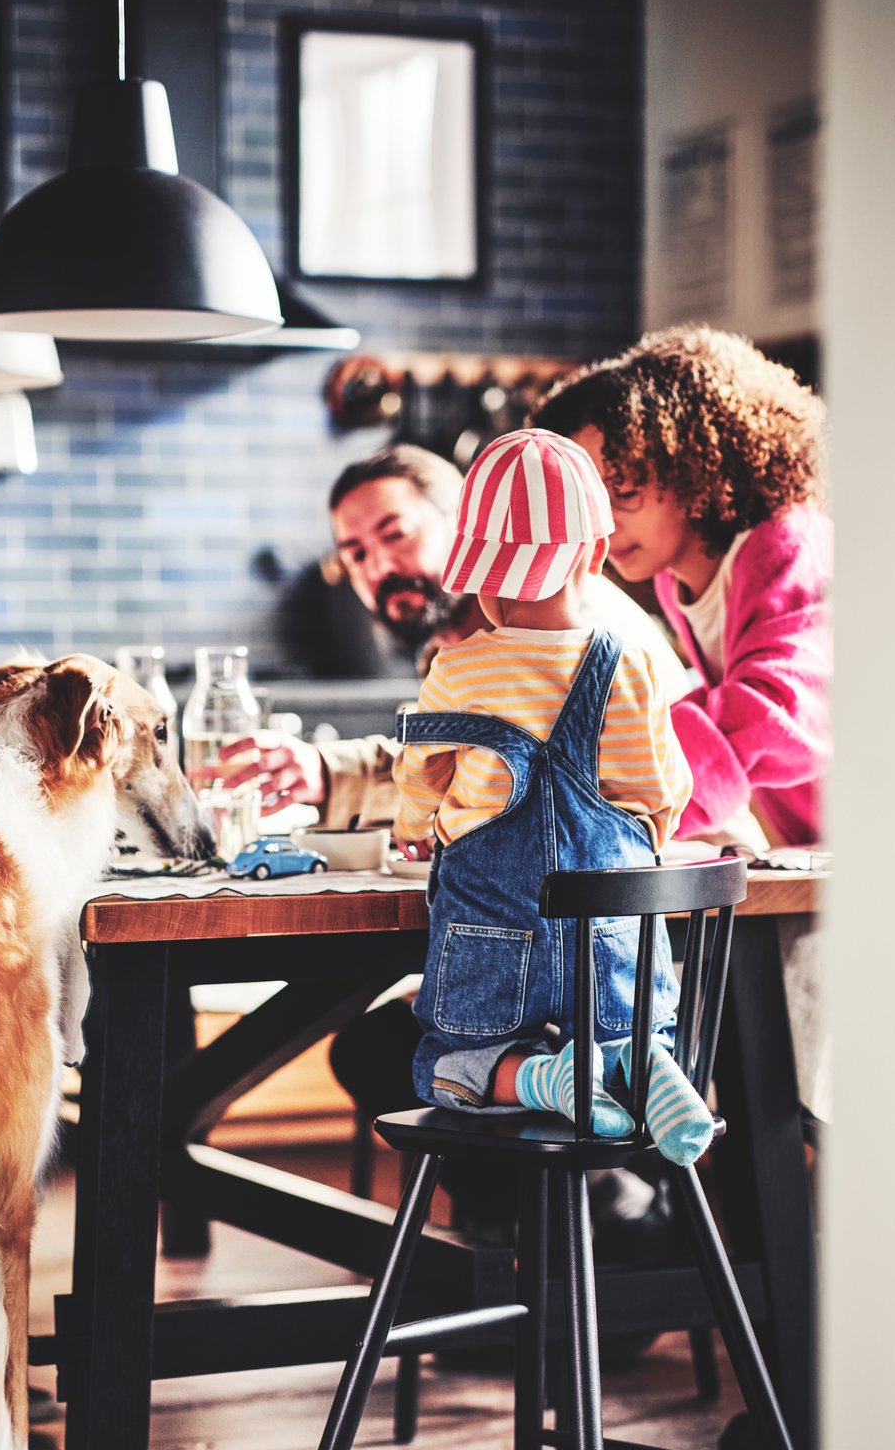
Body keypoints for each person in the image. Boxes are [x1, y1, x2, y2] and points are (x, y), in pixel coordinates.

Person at [393, 429, 711, 1166]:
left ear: (480, 576)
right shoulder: (629, 662)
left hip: (491, 938)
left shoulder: (457, 668)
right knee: (627, 1024)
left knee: (443, 1063)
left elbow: (421, 773)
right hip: (613, 937)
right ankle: (640, 1065)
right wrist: (646, 832)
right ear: (595, 558)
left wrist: (416, 826)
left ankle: (543, 1077)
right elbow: (662, 788)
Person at [200, 443, 692, 830]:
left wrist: (416, 824)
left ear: (466, 528)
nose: (381, 567)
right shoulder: (458, 653)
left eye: (395, 534)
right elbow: (469, 768)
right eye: (356, 553)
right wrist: (326, 771)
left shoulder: (572, 627)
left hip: (683, 915)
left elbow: (548, 789)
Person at [531, 326, 831, 844]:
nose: (603, 524)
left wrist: (625, 814)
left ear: (694, 466)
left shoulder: (790, 547)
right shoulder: (680, 582)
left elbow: (773, 712)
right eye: (588, 502)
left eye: (622, 491)